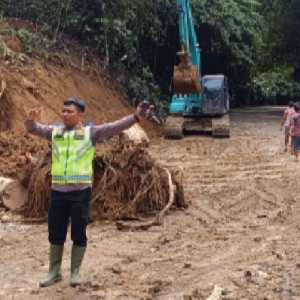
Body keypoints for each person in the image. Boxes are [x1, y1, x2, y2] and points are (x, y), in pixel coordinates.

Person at [25, 97, 152, 287]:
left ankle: (75, 272)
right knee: (55, 233)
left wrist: (136, 116)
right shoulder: (55, 132)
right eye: (63, 111)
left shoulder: (90, 133)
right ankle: (54, 272)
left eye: (69, 111)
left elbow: (114, 127)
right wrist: (30, 120)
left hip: (80, 193)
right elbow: (33, 129)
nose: (64, 114)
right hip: (58, 192)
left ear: (80, 115)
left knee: (79, 232)